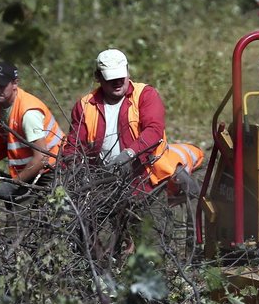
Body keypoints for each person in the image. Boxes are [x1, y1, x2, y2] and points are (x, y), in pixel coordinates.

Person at [63, 49, 204, 196]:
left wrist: (129, 154)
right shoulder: (84, 106)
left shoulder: (144, 94)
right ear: (98, 77)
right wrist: (75, 171)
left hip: (148, 179)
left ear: (128, 72)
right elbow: (74, 147)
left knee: (151, 218)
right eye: (111, 78)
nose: (117, 82)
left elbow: (154, 130)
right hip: (104, 185)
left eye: (120, 76)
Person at [0, 62, 65, 202]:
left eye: (2, 86)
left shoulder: (28, 113)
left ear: (15, 83)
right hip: (30, 169)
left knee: (50, 217)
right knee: (17, 216)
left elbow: (42, 158)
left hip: (52, 170)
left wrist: (13, 183)